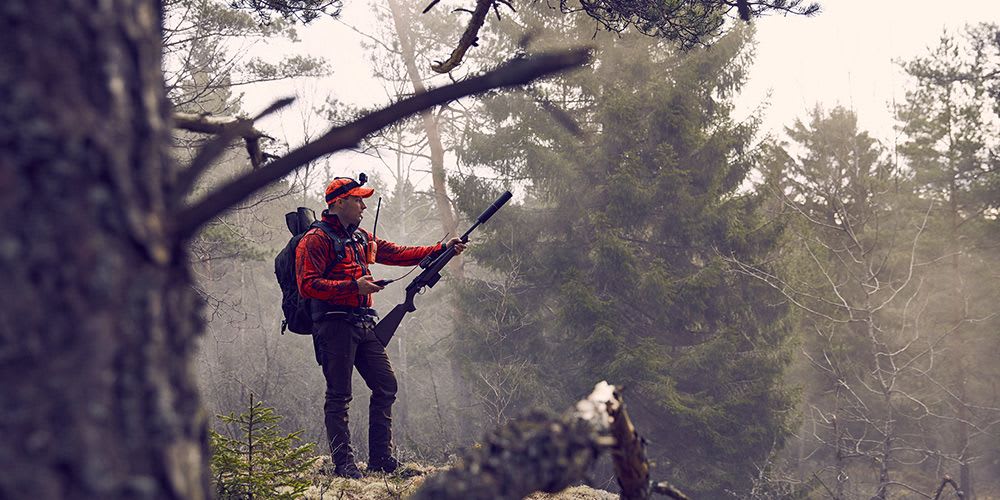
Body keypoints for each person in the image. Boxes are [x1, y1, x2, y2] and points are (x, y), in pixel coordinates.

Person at [295, 175, 465, 478]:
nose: (363, 205)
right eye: (358, 199)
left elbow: (397, 253)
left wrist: (443, 248)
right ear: (338, 203)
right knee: (339, 395)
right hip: (334, 325)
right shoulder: (315, 239)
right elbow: (307, 285)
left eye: (363, 200)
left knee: (386, 386)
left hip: (363, 324)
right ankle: (343, 464)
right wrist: (352, 287)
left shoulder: (359, 236)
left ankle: (380, 460)